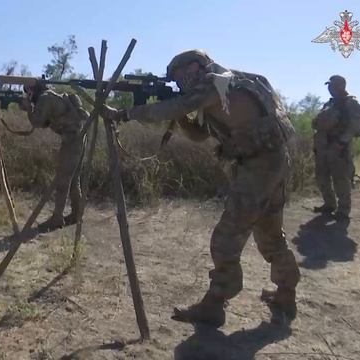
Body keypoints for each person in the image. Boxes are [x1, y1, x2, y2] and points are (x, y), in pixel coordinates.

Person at [103, 50, 300, 327]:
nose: (180, 83)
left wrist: (125, 114)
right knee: (269, 233)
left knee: (226, 238)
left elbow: (167, 110)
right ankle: (286, 293)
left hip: (259, 168)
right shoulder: (231, 84)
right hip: (271, 163)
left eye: (180, 77)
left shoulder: (213, 82)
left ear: (194, 67)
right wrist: (182, 113)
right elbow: (198, 135)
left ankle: (215, 304)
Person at [19, 82, 89, 231]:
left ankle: (57, 218)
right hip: (79, 137)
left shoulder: (44, 98)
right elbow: (46, 122)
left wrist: (28, 109)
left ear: (32, 90)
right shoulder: (51, 97)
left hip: (71, 139)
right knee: (73, 178)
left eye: (28, 92)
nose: (28, 95)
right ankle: (77, 213)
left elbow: (37, 122)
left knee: (63, 179)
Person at [312, 75, 360, 223]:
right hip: (323, 147)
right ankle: (329, 205)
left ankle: (343, 210)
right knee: (322, 177)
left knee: (341, 179)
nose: (330, 88)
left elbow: (356, 125)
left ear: (340, 86)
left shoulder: (352, 104)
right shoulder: (329, 104)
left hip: (339, 147)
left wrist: (342, 142)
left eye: (332, 85)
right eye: (329, 86)